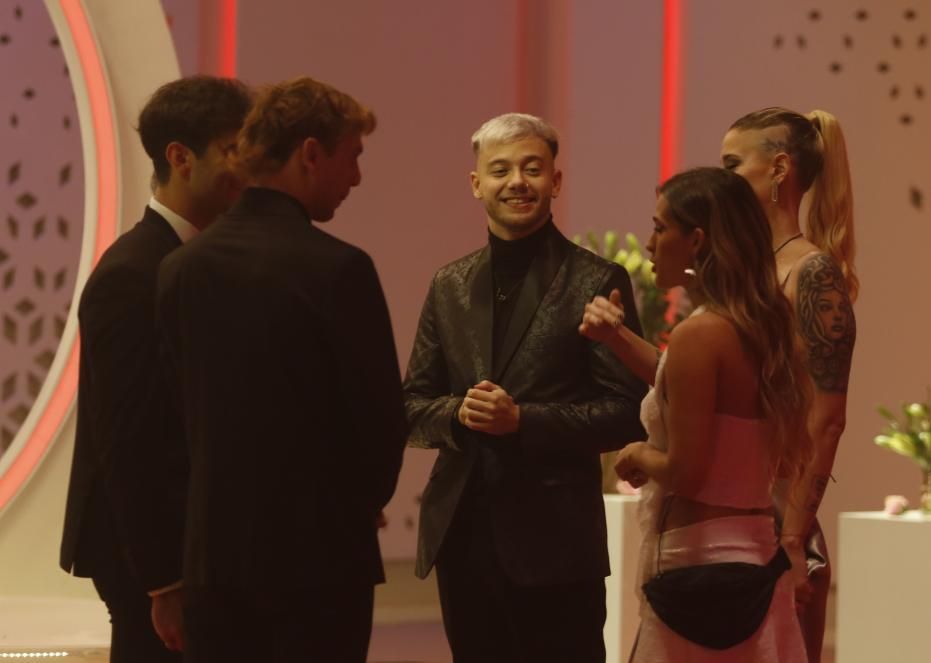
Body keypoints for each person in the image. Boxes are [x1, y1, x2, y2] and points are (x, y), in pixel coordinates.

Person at [155, 77, 407, 663]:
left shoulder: (180, 269)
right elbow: (380, 422)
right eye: (353, 157)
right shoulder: (339, 269)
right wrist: (358, 503)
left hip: (213, 563)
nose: (356, 178)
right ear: (310, 153)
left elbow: (172, 422)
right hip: (321, 564)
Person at [403, 112, 648, 662]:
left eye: (532, 169)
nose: (517, 182)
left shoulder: (596, 278)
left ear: (555, 181)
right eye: (500, 170)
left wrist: (522, 420)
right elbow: (412, 406)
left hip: (556, 540)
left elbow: (625, 411)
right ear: (477, 184)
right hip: (463, 533)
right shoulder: (449, 283)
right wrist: (459, 413)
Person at [580, 166, 812, 661]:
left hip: (698, 567)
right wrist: (616, 337)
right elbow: (682, 383)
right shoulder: (758, 325)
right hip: (755, 558)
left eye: (660, 228)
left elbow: (686, 470)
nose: (649, 243)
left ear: (697, 241)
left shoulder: (699, 334)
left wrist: (638, 453)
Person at [59, 75, 251, 662]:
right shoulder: (132, 273)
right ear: (180, 158)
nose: (248, 168)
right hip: (146, 555)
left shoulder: (200, 260)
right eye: (234, 149)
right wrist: (164, 581)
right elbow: (129, 439)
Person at [721, 107, 857, 661]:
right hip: (729, 510)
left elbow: (827, 420)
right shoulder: (746, 269)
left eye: (733, 164)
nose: (724, 178)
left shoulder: (812, 272)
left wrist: (794, 539)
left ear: (778, 169)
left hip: (776, 520)